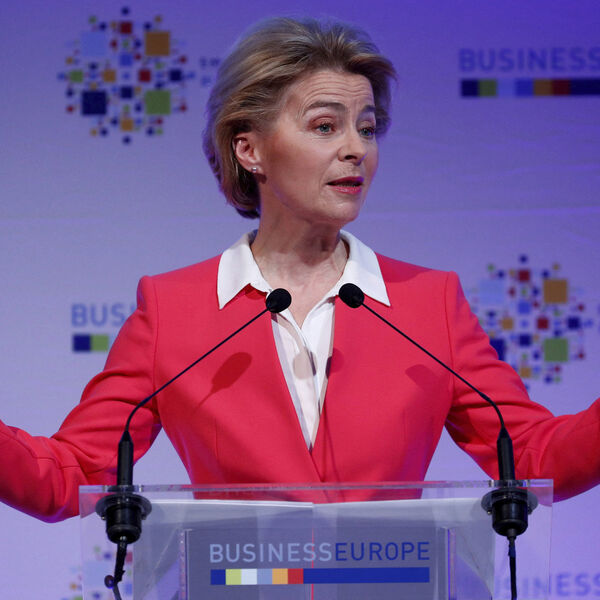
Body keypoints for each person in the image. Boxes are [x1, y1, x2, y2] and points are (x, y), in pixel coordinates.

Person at [1, 17, 599, 523]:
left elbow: (533, 455)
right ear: (250, 150)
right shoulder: (172, 309)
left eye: (367, 128)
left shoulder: (429, 302)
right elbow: (70, 475)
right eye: (325, 126)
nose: (356, 148)